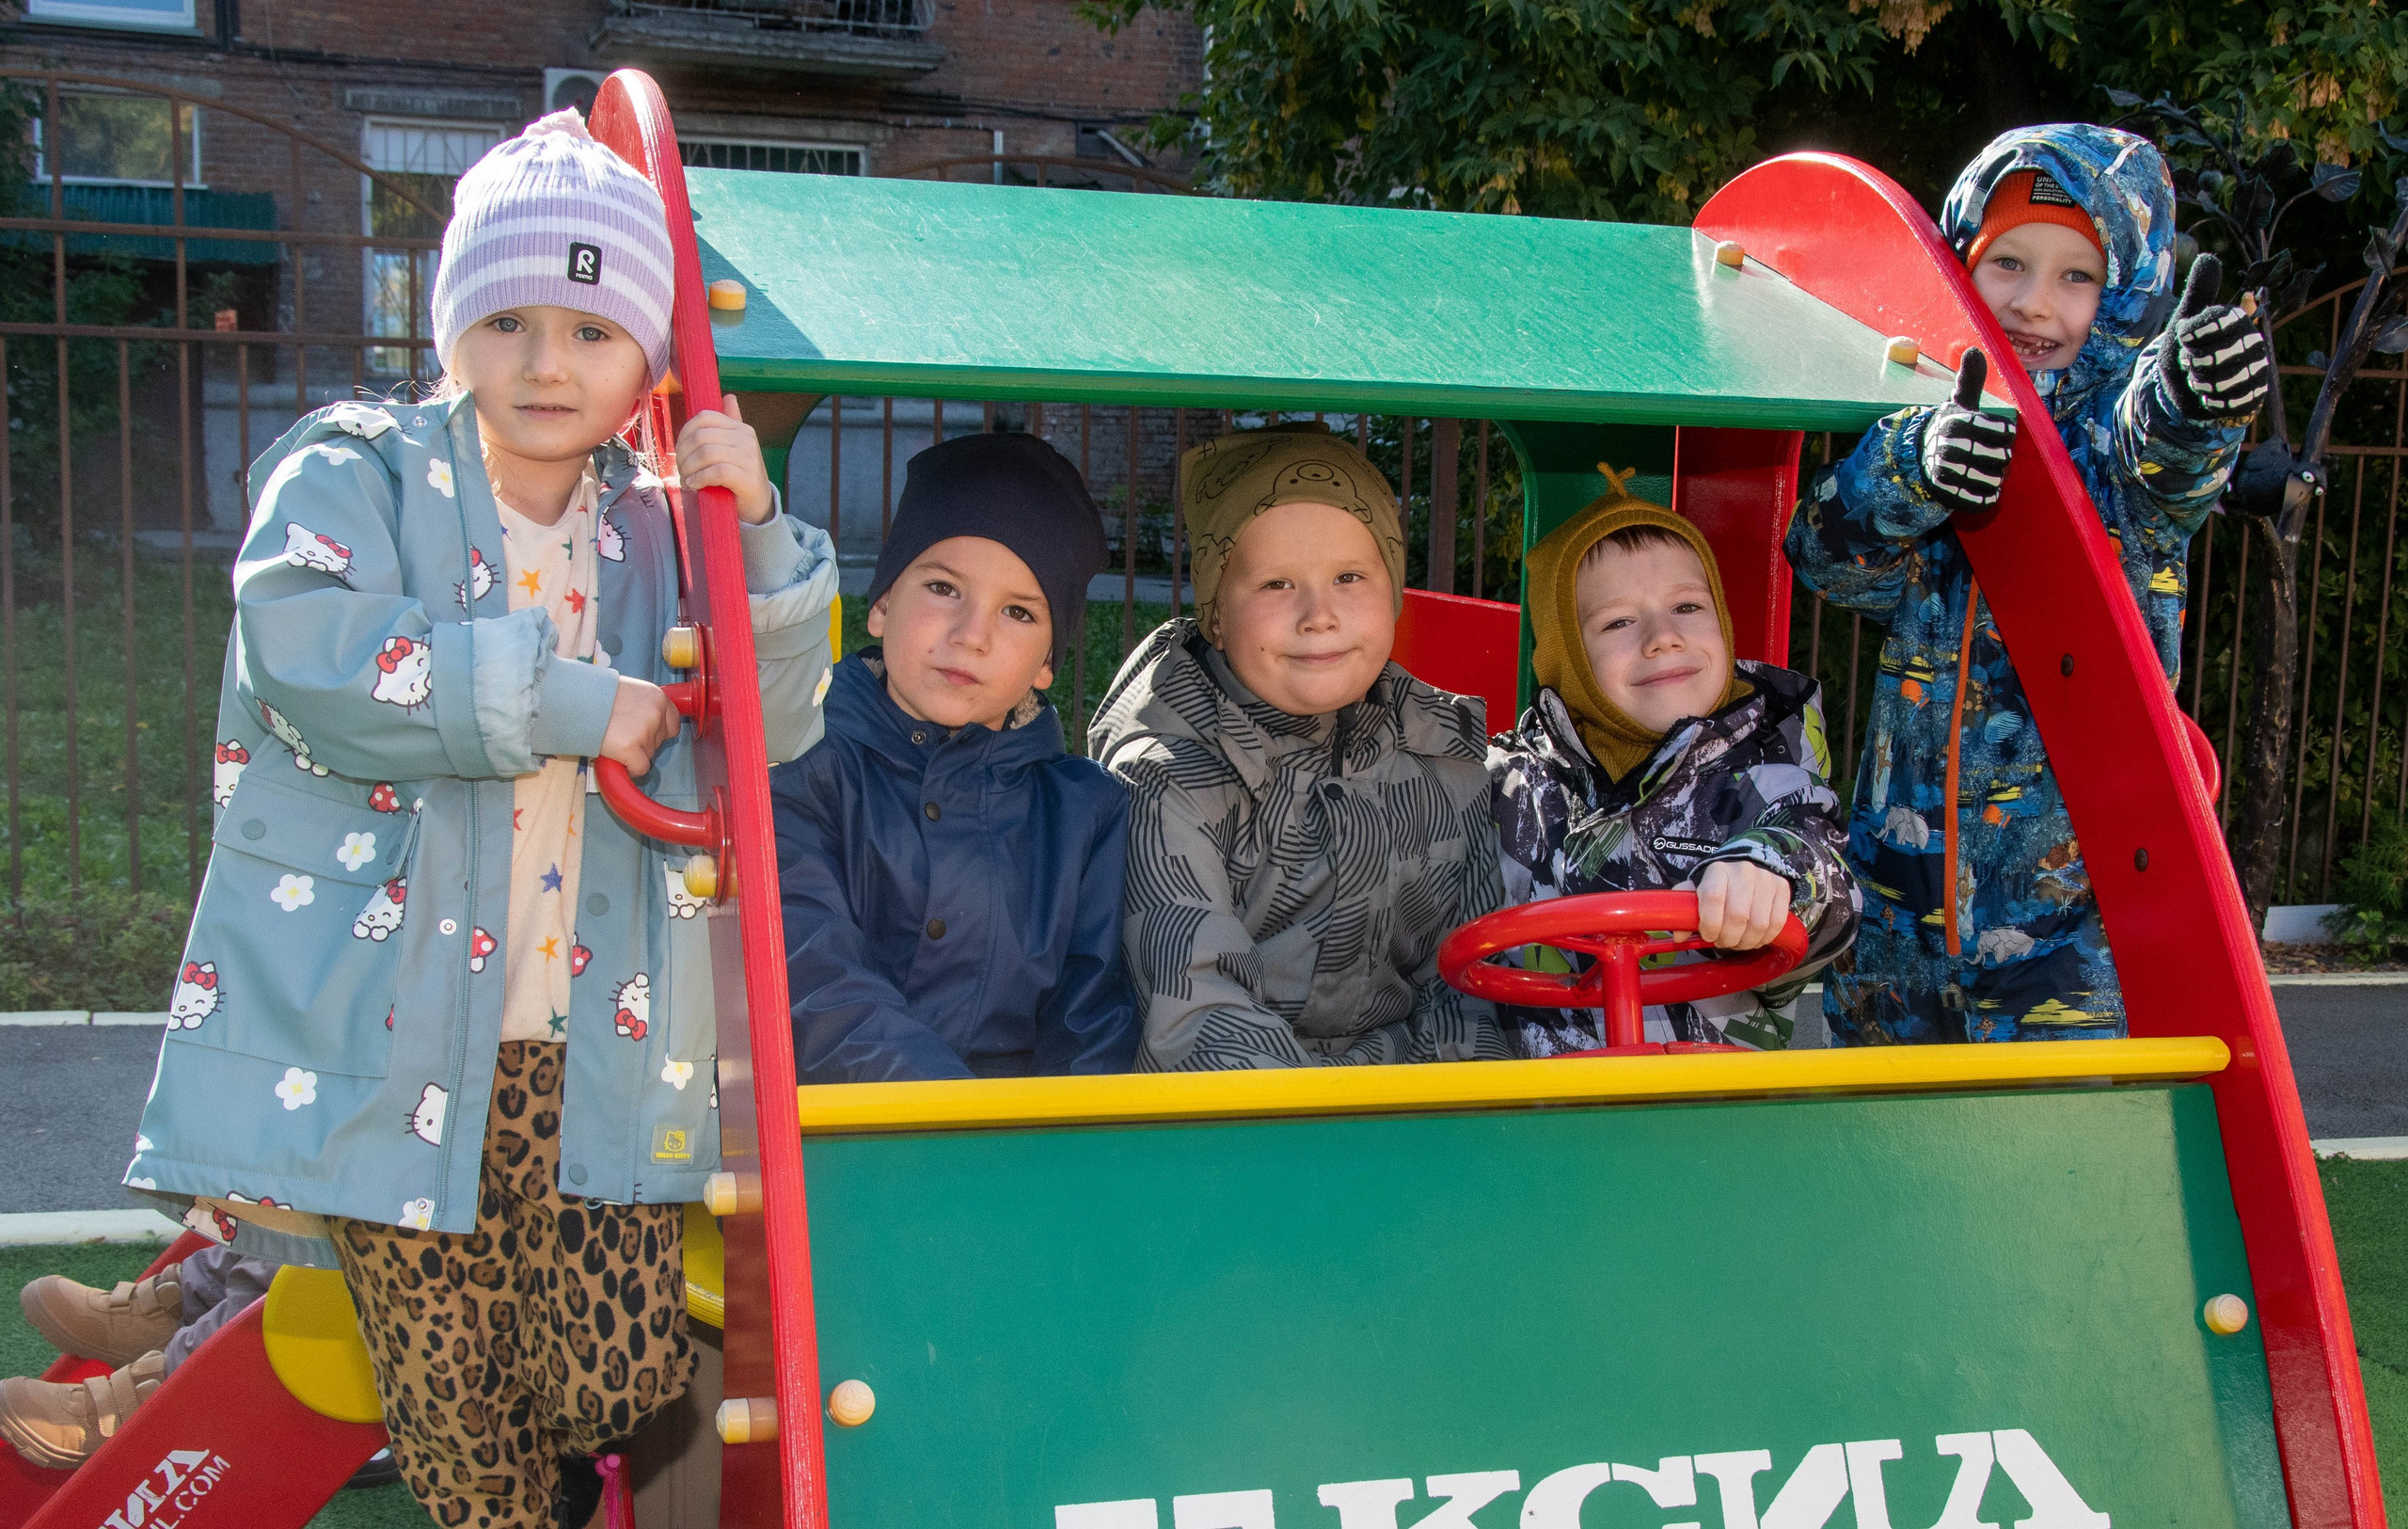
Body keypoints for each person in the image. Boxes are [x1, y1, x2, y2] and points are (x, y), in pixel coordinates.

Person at [115, 107, 837, 1527]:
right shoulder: (359, 472)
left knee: (615, 1368)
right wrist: (580, 702)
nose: (546, 363)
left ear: (644, 356)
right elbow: (314, 653)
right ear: (448, 326)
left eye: (589, 329)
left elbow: (778, 722)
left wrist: (754, 530)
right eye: (506, 320)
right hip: (395, 1036)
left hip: (598, 1044)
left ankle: (560, 1471)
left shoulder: (659, 526)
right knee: (457, 1418)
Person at [1785, 123, 2267, 1043]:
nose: (2034, 304)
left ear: (2124, 294)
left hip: (2067, 923)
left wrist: (2193, 399)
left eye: (2076, 276)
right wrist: (1912, 466)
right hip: (1901, 914)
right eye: (2007, 263)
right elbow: (1824, 559)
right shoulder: (1936, 417)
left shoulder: (2112, 448)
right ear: (1960, 262)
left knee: (2054, 1155)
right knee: (1889, 1153)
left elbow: (2156, 453)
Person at [1088, 422, 1509, 1070]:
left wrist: (1451, 1130)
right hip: (1239, 1137)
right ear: (1217, 615)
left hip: (1416, 1127)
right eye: (1277, 584)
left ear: (1393, 593)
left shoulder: (1441, 762)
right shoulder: (1166, 779)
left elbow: (1471, 981)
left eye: (1349, 576)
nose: (1319, 614)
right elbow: (1199, 1017)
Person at [774, 431, 1139, 1083]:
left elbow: (1090, 1028)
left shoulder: (1086, 814)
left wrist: (1066, 1166)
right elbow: (812, 975)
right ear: (882, 603)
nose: (972, 635)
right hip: (829, 1147)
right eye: (944, 588)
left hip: (1022, 1163)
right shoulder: (803, 760)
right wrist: (952, 1127)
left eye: (1019, 613)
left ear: (1049, 664)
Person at [1490, 470, 1858, 1054]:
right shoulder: (1509, 785)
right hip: (1533, 1119)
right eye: (1618, 621)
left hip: (1705, 1112)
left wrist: (1767, 873)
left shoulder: (1766, 783)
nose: (1663, 637)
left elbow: (1821, 864)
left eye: (1687, 606)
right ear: (1566, 657)